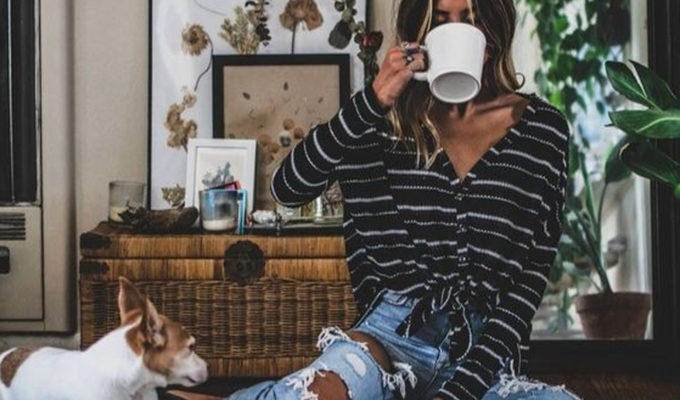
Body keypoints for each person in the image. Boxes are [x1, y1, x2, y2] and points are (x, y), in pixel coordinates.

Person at [169, 0, 582, 399]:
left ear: (493, 28)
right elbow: (287, 188)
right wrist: (372, 101)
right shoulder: (379, 123)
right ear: (421, 33)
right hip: (389, 341)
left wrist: (457, 394)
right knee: (328, 389)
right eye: (441, 20)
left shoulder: (542, 131)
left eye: (471, 18)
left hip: (485, 357)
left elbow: (527, 284)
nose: (459, 30)